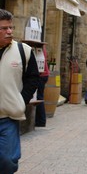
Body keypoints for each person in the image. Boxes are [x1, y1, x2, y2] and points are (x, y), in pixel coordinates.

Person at [0, 9, 39, 173]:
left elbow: (33, 79)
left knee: (8, 160)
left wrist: (21, 100)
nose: (9, 31)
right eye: (4, 28)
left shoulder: (24, 51)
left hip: (7, 117)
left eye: (11, 27)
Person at [35, 46, 50, 127]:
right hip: (44, 74)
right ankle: (39, 120)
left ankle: (41, 121)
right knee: (39, 97)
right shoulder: (41, 47)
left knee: (38, 97)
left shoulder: (38, 47)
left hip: (41, 75)